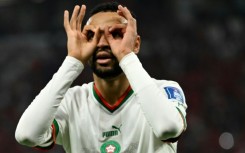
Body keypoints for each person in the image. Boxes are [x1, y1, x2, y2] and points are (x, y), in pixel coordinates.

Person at [15, 1, 187, 153]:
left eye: (116, 34)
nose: (103, 43)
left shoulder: (165, 90)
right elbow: (27, 135)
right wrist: (73, 61)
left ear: (136, 43)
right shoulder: (70, 102)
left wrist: (126, 56)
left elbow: (168, 128)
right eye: (92, 35)